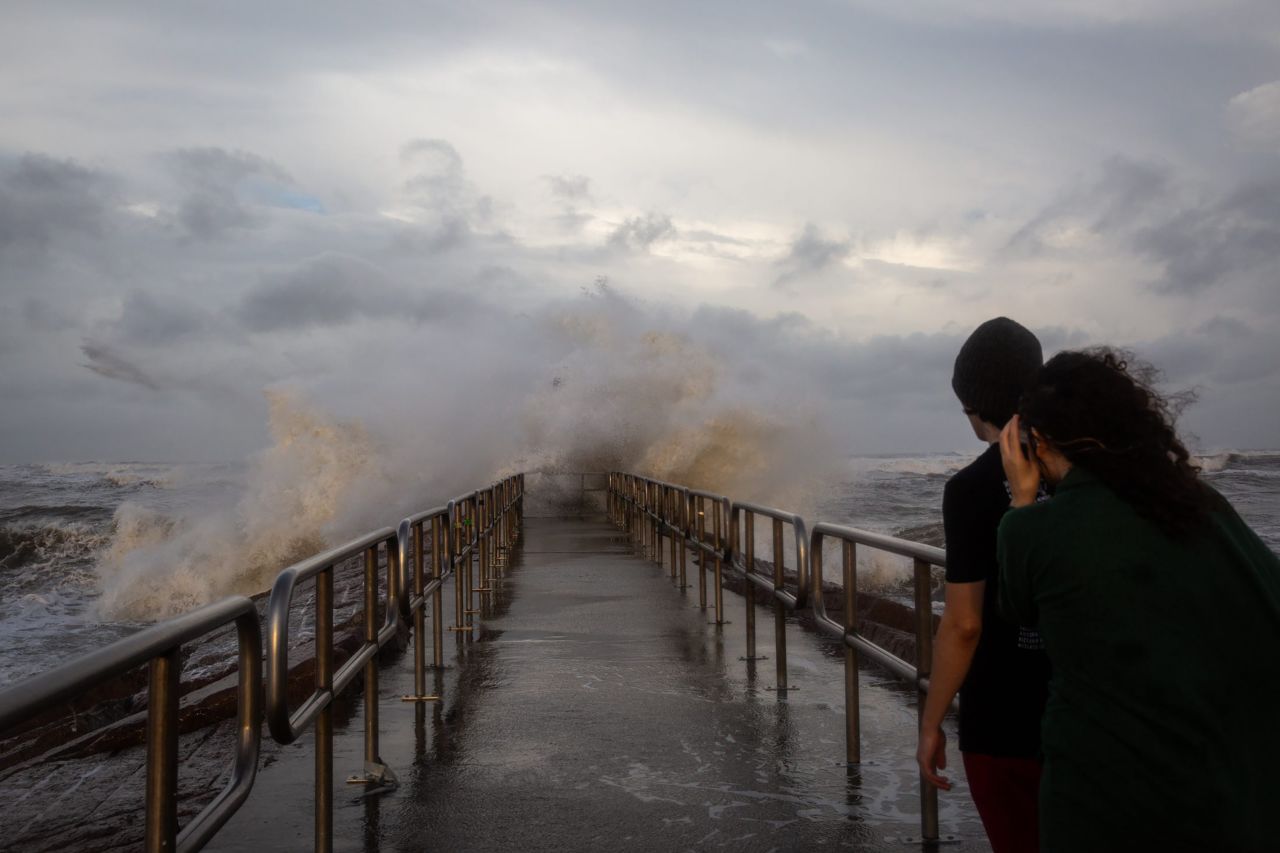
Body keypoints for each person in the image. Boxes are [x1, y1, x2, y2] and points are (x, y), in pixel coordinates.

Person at [997, 348, 1280, 853]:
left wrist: (1022, 498)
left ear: (1035, 442)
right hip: (1228, 797)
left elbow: (1018, 607)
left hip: (1101, 800)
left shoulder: (1033, 528)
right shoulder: (1204, 507)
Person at [917, 317, 1052, 853]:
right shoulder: (1084, 476)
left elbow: (965, 624)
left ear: (972, 403)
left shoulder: (970, 489)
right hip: (1089, 714)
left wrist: (930, 723)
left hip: (1002, 721)